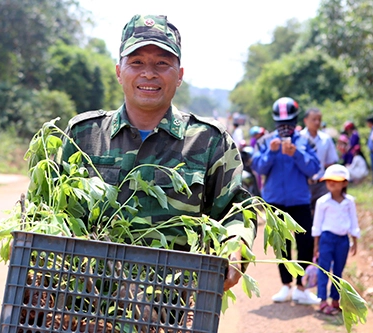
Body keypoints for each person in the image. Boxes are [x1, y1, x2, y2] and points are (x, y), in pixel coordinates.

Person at [58, 14, 256, 292]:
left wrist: (236, 247)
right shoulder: (83, 135)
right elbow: (48, 211)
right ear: (118, 72)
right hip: (84, 302)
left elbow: (237, 209)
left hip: (172, 304)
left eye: (162, 63)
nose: (149, 73)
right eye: (136, 62)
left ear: (180, 75)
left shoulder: (209, 141)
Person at [251, 97, 321, 305]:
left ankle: (302, 288)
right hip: (275, 202)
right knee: (281, 246)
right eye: (281, 125)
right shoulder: (265, 142)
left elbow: (314, 169)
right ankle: (285, 285)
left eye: (289, 124)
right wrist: (271, 154)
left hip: (299, 200)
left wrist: (296, 154)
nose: (285, 128)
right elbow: (259, 168)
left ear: (295, 120)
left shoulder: (305, 141)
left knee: (305, 244)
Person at [312, 164, 360, 315]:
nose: (331, 183)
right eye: (329, 180)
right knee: (324, 270)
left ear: (345, 183)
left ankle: (335, 300)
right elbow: (317, 224)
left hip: (343, 241)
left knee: (338, 270)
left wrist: (354, 241)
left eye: (336, 180)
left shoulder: (349, 202)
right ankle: (322, 301)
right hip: (326, 239)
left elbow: (354, 221)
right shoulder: (322, 202)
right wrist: (316, 245)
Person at [300, 108, 339, 213]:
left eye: (319, 119)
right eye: (314, 119)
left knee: (322, 214)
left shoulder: (326, 139)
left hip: (322, 184)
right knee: (304, 216)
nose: (317, 122)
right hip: (303, 184)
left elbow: (331, 162)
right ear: (305, 120)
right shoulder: (299, 139)